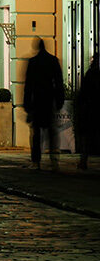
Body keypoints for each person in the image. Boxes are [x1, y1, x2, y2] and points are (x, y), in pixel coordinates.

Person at [23, 37, 65, 169]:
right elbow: (59, 83)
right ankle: (54, 160)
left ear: (37, 46)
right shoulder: (53, 60)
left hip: (37, 101)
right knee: (52, 132)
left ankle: (36, 161)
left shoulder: (33, 62)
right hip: (49, 100)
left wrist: (27, 104)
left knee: (36, 133)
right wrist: (59, 101)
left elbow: (28, 85)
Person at [75, 54, 99, 170]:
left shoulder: (90, 73)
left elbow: (83, 92)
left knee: (86, 136)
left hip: (90, 109)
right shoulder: (93, 74)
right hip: (93, 108)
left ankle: (83, 160)